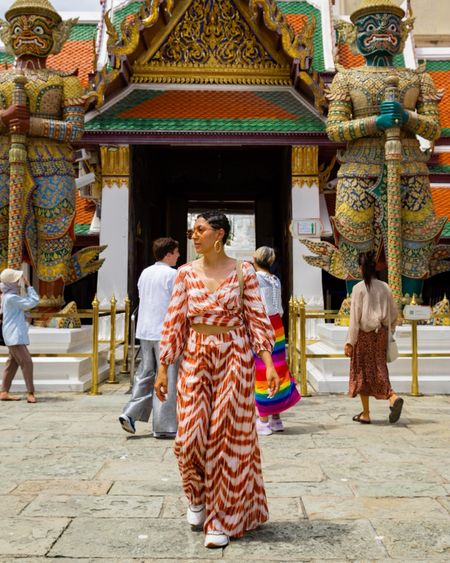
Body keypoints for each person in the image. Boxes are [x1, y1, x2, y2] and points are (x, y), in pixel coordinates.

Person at [155, 211, 279, 549]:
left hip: (234, 356)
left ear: (219, 234)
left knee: (226, 438)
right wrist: (164, 367)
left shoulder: (244, 273)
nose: (194, 236)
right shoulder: (184, 274)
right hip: (195, 355)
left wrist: (268, 363)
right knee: (189, 437)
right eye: (193, 230)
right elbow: (174, 321)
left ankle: (221, 519)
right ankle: (196, 496)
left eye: (200, 230)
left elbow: (256, 318)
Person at [119, 238, 180, 437]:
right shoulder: (173, 274)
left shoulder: (146, 273)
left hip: (145, 330)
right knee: (168, 376)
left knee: (145, 373)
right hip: (165, 330)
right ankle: (164, 425)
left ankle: (130, 413)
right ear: (169, 253)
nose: (178, 256)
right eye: (176, 252)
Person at [344, 252, 404, 424]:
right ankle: (391, 397)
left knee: (362, 371)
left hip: (364, 336)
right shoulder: (385, 287)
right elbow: (394, 314)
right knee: (379, 367)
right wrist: (388, 330)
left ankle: (368, 411)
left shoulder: (358, 289)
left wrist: (350, 342)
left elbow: (355, 319)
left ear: (361, 268)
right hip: (381, 334)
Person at [253, 246, 301, 436]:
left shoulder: (255, 279)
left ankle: (263, 419)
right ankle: (276, 418)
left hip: (262, 325)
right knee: (278, 368)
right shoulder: (275, 280)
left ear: (256, 258)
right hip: (277, 326)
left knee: (263, 369)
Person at [0, 268, 39, 403]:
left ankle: (4, 391)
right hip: (14, 335)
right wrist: (29, 286)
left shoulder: (7, 295)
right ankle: (30, 393)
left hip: (12, 334)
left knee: (12, 363)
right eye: (17, 280)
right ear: (11, 283)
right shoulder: (11, 297)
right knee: (27, 362)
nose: (19, 282)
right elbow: (32, 302)